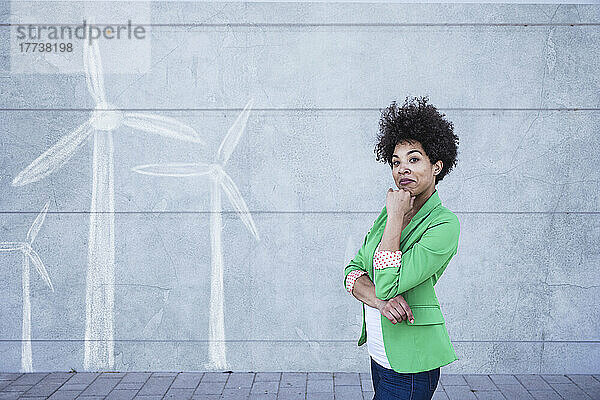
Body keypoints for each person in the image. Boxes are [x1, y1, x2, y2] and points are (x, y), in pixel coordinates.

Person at [344, 96, 460, 400]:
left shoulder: (443, 224)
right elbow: (352, 273)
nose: (402, 170)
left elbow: (385, 282)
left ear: (436, 166)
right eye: (396, 162)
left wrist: (395, 217)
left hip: (411, 362)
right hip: (380, 355)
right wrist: (381, 305)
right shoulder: (390, 211)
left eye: (413, 159)